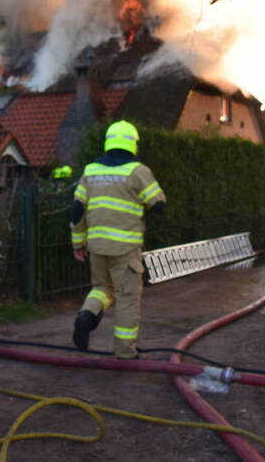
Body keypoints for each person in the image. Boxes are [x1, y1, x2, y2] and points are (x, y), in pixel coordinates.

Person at [70, 120, 166, 359]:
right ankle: (125, 352)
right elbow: (159, 204)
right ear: (133, 143)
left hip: (97, 245)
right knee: (127, 297)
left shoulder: (91, 171)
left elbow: (77, 211)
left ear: (108, 142)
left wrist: (78, 243)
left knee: (101, 288)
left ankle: (86, 315)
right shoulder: (138, 171)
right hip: (125, 249)